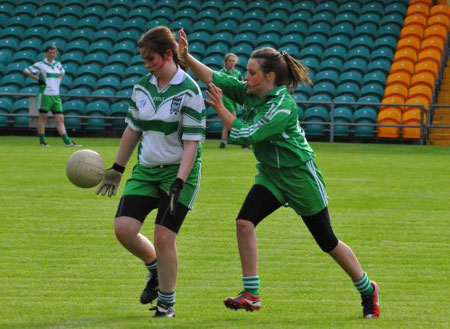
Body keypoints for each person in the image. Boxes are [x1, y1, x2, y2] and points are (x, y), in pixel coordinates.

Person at [178, 28, 380, 319]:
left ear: (270, 77)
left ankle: (367, 288)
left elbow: (247, 134)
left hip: (300, 177)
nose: (245, 78)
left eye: (251, 72)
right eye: (246, 72)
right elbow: (216, 78)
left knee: (328, 242)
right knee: (244, 222)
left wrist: (221, 108)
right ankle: (252, 294)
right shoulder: (251, 92)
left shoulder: (282, 106)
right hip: (271, 175)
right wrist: (187, 56)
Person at [96, 26, 205, 318]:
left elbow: (192, 145)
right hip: (146, 169)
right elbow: (133, 129)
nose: (146, 65)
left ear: (168, 55)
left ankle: (167, 304)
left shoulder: (189, 91)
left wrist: (180, 181)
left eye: (150, 58)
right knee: (124, 229)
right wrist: (117, 169)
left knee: (164, 237)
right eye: (143, 59)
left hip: (179, 173)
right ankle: (155, 269)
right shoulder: (142, 86)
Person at [23, 45, 80, 147]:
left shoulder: (58, 64)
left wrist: (57, 81)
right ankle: (43, 142)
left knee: (60, 119)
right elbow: (26, 71)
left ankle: (67, 142)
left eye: (54, 53)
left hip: (55, 96)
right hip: (45, 94)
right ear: (46, 53)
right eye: (50, 52)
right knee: (43, 118)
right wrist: (37, 79)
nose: (52, 55)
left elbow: (63, 73)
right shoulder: (40, 64)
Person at [218, 53, 242, 149]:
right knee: (233, 118)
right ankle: (241, 140)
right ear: (226, 62)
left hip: (234, 98)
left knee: (227, 121)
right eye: (230, 60)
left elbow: (241, 85)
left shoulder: (237, 73)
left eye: (233, 61)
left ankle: (223, 141)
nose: (232, 63)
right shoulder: (221, 73)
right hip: (226, 98)